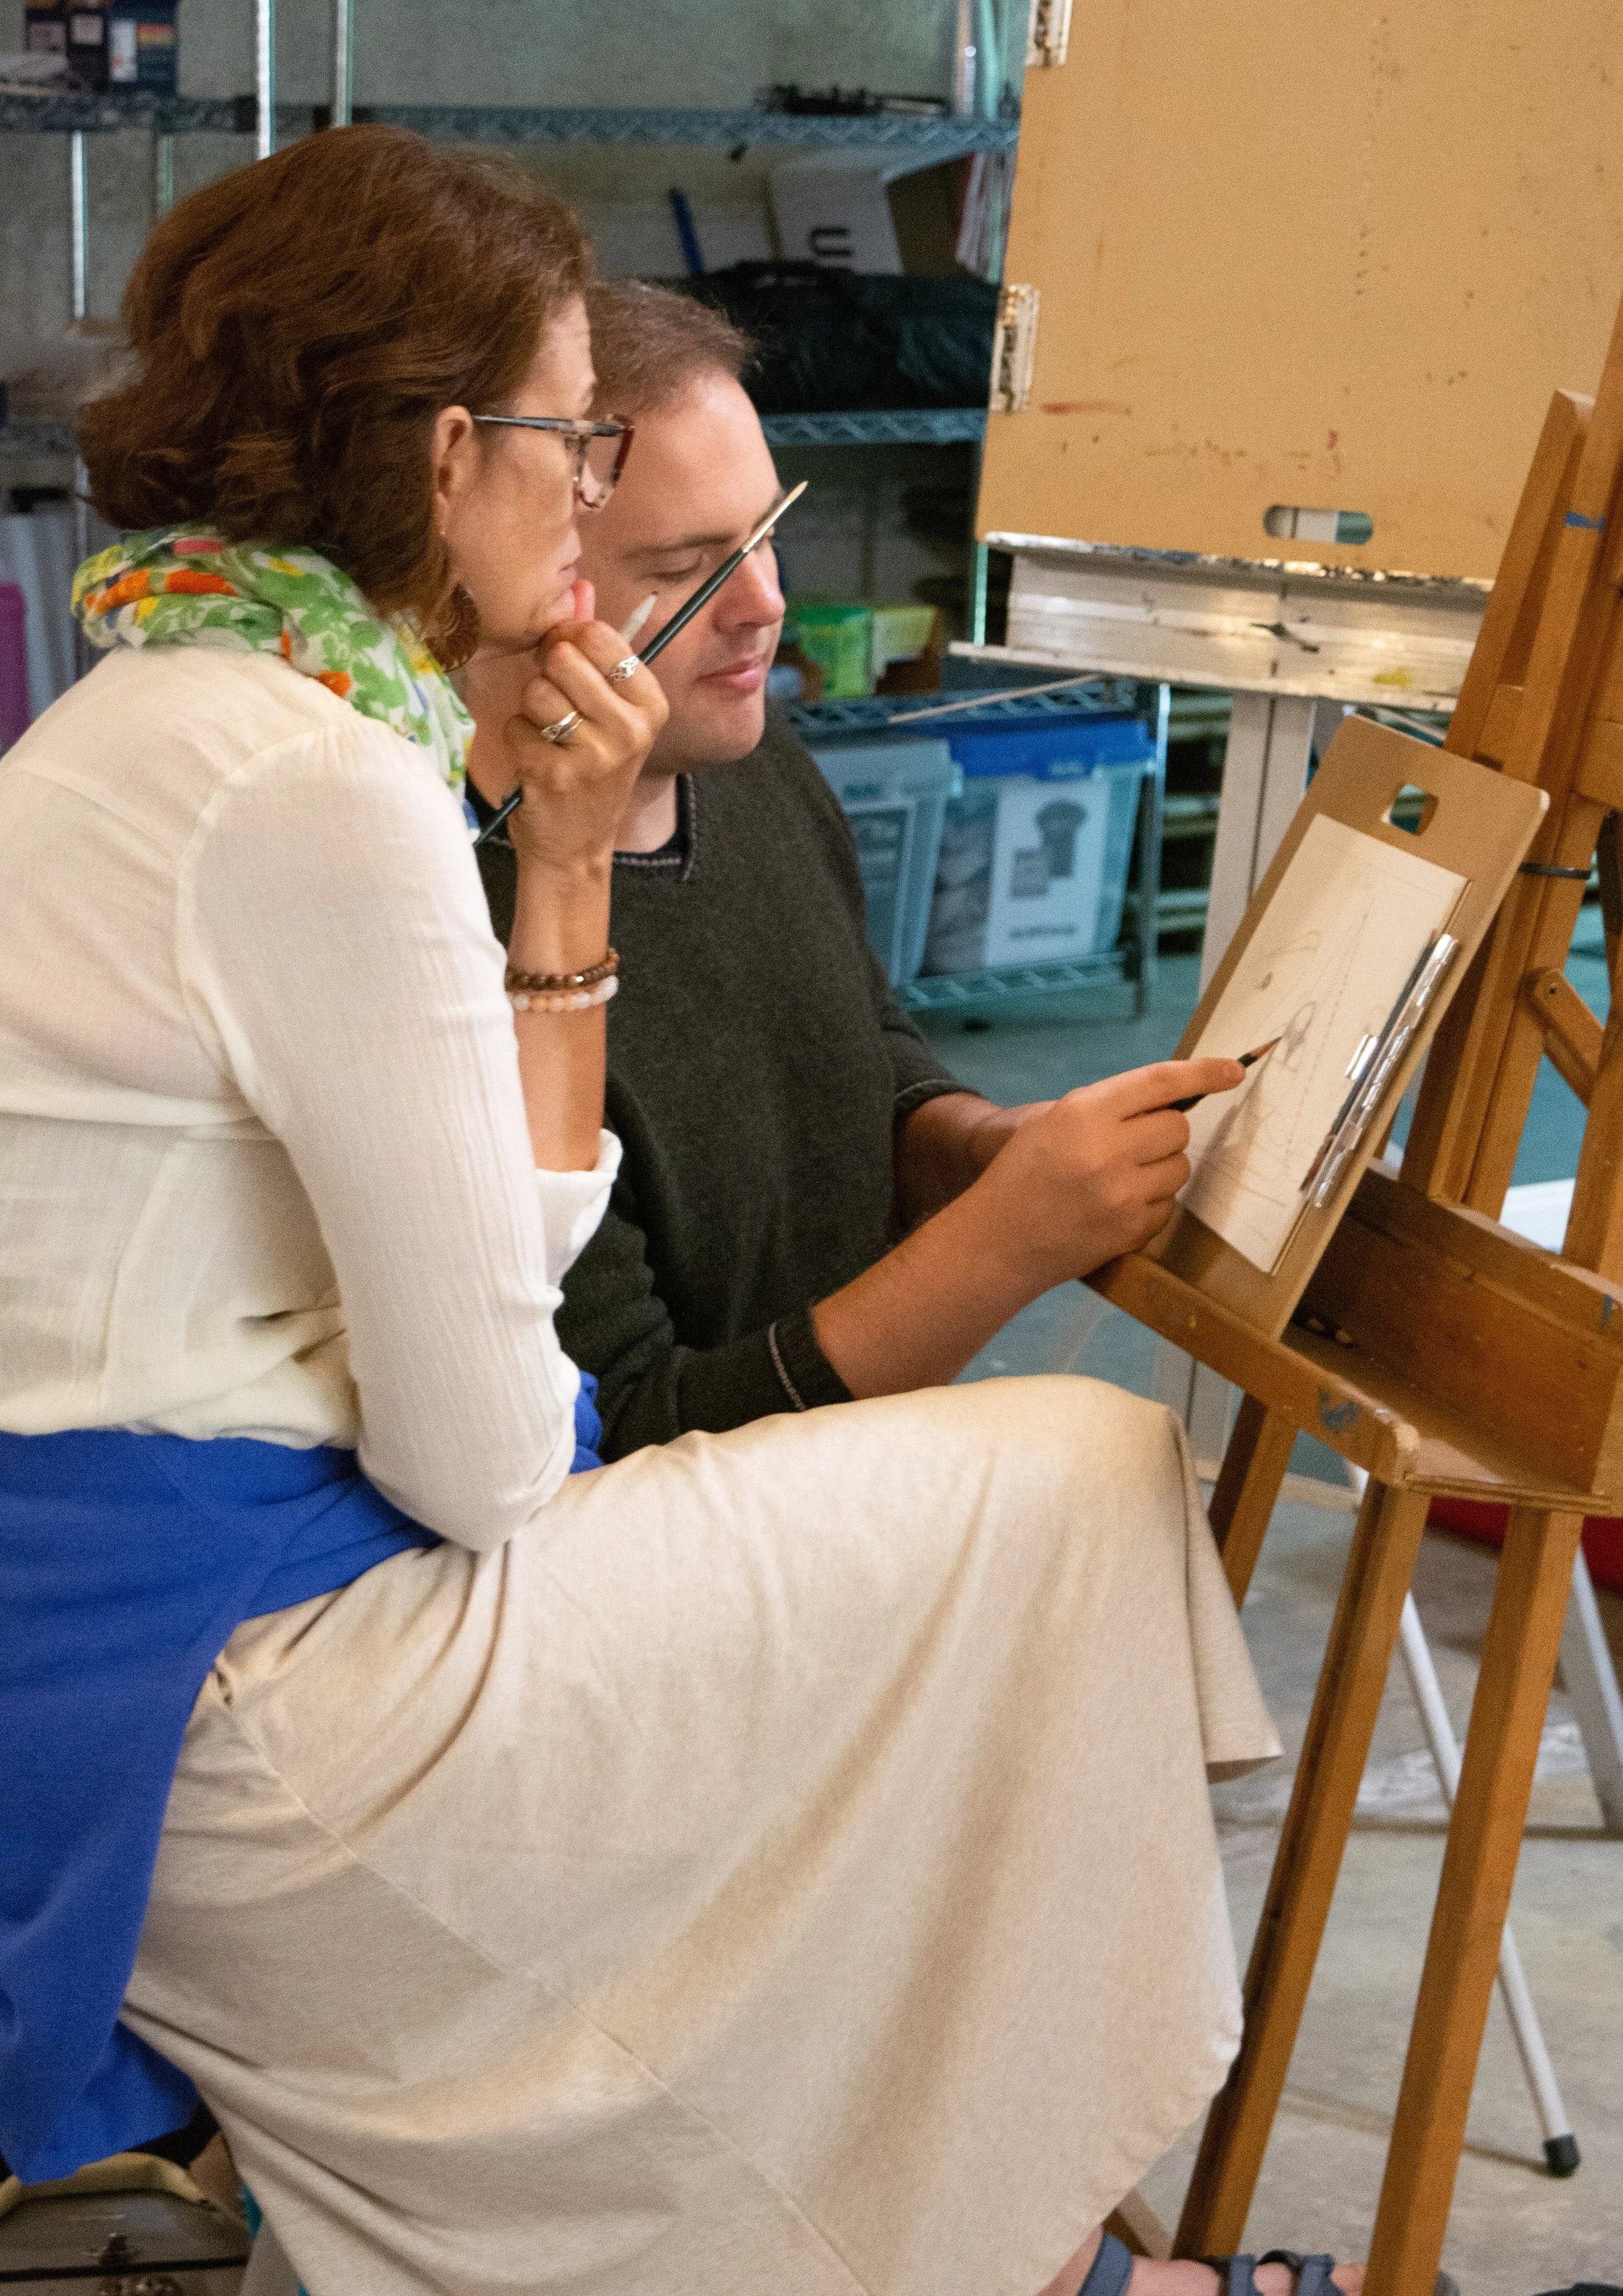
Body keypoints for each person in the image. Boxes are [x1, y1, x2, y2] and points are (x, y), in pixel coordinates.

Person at [0, 123, 1377, 2296]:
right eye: (570, 449)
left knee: (959, 1591)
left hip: (124, 1645)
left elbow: (527, 1296)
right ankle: (1039, 2239)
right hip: (238, 1678)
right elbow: (497, 1457)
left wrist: (561, 878)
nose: (586, 514)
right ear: (455, 455)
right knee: (1077, 1474)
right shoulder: (325, 791)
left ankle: (1021, 2225)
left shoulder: (169, 704)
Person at [464, 281, 1217, 1458]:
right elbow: (635, 1433)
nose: (766, 606)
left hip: (834, 1485)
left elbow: (861, 1055)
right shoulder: (462, 925)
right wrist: (1006, 1243)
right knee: (1115, 1469)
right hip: (657, 1561)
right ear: (519, 571)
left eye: (765, 537)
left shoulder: (757, 772)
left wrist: (977, 1147)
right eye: (688, 565)